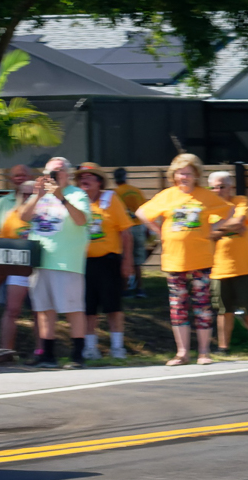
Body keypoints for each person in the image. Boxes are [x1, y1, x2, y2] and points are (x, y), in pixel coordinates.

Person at [134, 153, 233, 365]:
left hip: (201, 259)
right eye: (180, 173)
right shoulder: (167, 195)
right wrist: (158, 230)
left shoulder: (205, 195)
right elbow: (142, 213)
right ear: (174, 175)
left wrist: (212, 229)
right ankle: (182, 353)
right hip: (174, 260)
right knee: (178, 306)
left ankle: (204, 352)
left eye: (188, 173)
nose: (184, 177)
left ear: (196, 175)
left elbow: (229, 211)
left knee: (202, 306)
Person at [16, 157, 91, 368]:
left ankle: (77, 355)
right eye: (49, 172)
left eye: (58, 171)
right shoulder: (40, 195)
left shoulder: (77, 194)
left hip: (66, 261)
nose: (53, 176)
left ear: (67, 174)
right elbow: (23, 217)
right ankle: (47, 355)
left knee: (73, 309)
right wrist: (37, 196)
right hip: (41, 260)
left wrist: (61, 197)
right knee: (44, 309)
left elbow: (81, 220)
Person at [74, 166, 134, 360]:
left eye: (90, 177)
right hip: (83, 262)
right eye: (81, 177)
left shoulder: (110, 199)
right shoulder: (75, 202)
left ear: (99, 181)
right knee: (88, 308)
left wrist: (127, 261)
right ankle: (90, 348)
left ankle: (117, 347)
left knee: (113, 306)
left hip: (108, 261)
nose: (85, 180)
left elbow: (126, 232)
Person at [207, 170, 248, 357]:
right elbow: (207, 233)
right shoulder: (208, 207)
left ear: (231, 187)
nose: (218, 190)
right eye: (214, 187)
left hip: (243, 266)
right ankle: (223, 348)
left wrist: (218, 229)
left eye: (222, 186)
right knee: (223, 311)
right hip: (219, 268)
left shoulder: (241, 201)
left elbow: (239, 222)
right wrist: (229, 226)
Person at [0, 180, 37, 355]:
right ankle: (5, 351)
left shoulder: (48, 214)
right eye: (24, 194)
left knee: (40, 312)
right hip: (18, 268)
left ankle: (41, 352)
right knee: (12, 310)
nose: (27, 197)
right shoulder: (12, 215)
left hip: (40, 269)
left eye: (31, 194)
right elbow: (2, 242)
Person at [110, 166, 149, 296]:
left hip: (124, 229)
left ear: (115, 179)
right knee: (137, 261)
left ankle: (125, 288)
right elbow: (144, 210)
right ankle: (140, 289)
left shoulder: (115, 193)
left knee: (124, 258)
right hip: (138, 227)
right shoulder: (136, 191)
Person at [0, 164, 31, 235]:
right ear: (11, 179)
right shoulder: (1, 202)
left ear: (30, 178)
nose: (20, 178)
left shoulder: (41, 202)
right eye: (17, 176)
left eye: (23, 175)